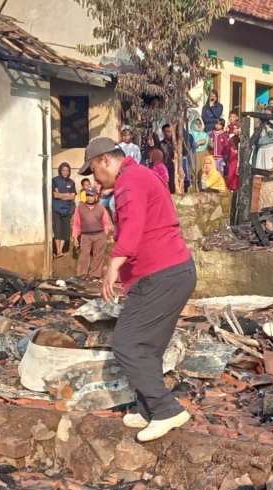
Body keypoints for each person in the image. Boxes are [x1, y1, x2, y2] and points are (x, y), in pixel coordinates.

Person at [78, 137, 196, 442]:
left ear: (105, 160)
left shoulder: (129, 181)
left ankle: (167, 410)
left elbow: (132, 226)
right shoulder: (141, 175)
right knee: (148, 347)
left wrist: (112, 266)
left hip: (161, 275)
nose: (94, 179)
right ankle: (148, 408)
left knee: (127, 344)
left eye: (93, 170)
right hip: (173, 271)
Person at [70, 186, 112, 281]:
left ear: (96, 196)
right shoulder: (80, 208)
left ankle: (95, 275)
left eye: (92, 195)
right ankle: (82, 274)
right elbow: (76, 224)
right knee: (84, 255)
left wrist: (105, 235)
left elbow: (106, 223)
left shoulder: (101, 208)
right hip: (85, 235)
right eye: (88, 195)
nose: (89, 197)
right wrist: (75, 238)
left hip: (99, 235)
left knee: (98, 256)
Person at [50, 163, 77, 259]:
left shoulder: (71, 182)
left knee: (65, 231)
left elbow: (73, 196)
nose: (65, 172)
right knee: (57, 230)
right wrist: (67, 194)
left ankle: (60, 251)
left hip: (67, 210)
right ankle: (58, 251)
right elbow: (55, 195)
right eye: (63, 170)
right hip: (56, 209)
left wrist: (61, 195)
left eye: (67, 171)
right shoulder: (55, 181)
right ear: (60, 171)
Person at [254, 104, 273, 170]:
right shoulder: (261, 122)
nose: (266, 116)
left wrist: (268, 124)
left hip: (270, 146)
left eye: (268, 114)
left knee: (270, 167)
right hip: (262, 146)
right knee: (260, 167)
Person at [160, 124, 177, 193]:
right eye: (168, 132)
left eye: (171, 131)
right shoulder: (160, 144)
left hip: (174, 167)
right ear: (163, 132)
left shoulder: (176, 144)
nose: (170, 134)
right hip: (164, 168)